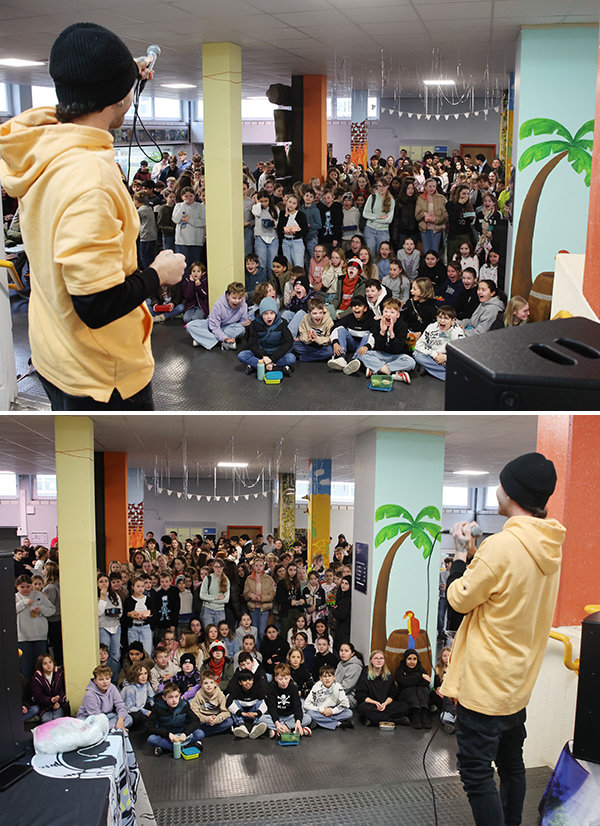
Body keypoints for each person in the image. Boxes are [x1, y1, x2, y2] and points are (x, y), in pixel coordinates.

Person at [0, 22, 186, 410]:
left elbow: (71, 100)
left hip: (56, 354)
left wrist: (122, 75)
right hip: (101, 379)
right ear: (118, 96)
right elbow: (96, 305)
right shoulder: (91, 181)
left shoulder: (41, 143)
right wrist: (158, 274)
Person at [441, 452, 565, 826]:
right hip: (517, 682)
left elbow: (459, 599)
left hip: (485, 684)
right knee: (511, 764)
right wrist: (477, 556)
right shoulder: (549, 544)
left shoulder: (501, 546)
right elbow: (506, 589)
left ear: (511, 493)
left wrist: (461, 554)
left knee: (476, 772)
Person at [237, 297, 296, 377]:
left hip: (277, 353)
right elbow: (253, 344)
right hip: (261, 354)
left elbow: (288, 342)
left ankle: (259, 367)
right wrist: (264, 356)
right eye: (265, 313)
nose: (269, 317)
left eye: (272, 313)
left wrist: (272, 358)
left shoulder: (282, 323)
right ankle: (277, 368)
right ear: (261, 314)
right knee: (242, 355)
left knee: (291, 358)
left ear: (275, 313)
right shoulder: (255, 324)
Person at [186, 281, 250, 350]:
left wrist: (244, 323)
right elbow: (214, 327)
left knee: (241, 329)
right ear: (228, 296)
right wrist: (223, 338)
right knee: (190, 326)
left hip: (228, 328)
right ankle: (222, 342)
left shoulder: (243, 305)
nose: (237, 301)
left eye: (239, 298)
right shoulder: (218, 305)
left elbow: (242, 322)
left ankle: (203, 340)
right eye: (234, 298)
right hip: (212, 325)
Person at [146, 680, 204, 755]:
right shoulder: (157, 707)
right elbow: (149, 726)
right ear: (164, 698)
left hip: (181, 734)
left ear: (179, 695)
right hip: (167, 736)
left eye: (176, 696)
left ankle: (170, 747)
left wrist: (185, 733)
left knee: (200, 733)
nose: (174, 700)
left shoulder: (184, 704)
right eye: (170, 697)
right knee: (151, 739)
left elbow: (196, 721)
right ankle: (182, 747)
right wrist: (167, 734)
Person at [355, 650, 409, 726]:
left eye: (381, 658)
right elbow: (360, 694)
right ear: (371, 661)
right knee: (363, 708)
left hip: (385, 705)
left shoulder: (388, 675)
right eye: (376, 658)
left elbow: (393, 694)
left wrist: (385, 704)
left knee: (404, 706)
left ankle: (374, 720)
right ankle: (393, 720)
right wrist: (375, 703)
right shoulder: (365, 674)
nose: (379, 661)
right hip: (372, 704)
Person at [15, 574, 54, 678]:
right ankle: (27, 687)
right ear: (17, 587)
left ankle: (41, 685)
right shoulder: (16, 597)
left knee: (40, 667)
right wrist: (23, 603)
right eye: (22, 587)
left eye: (28, 586)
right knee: (25, 668)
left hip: (39, 636)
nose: (25, 589)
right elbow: (9, 612)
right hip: (23, 638)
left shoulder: (39, 595)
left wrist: (41, 609)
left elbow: (52, 610)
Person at [414, 305, 465, 381]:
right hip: (432, 355)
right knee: (417, 354)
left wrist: (445, 358)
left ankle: (428, 368)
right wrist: (434, 354)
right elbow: (419, 344)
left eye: (446, 318)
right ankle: (448, 375)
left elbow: (462, 353)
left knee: (460, 363)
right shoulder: (431, 327)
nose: (442, 321)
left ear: (453, 320)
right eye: (440, 317)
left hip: (448, 358)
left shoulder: (457, 331)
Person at [261, 662, 312, 737]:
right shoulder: (271, 688)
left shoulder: (293, 688)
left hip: (290, 716)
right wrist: (277, 723)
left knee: (307, 718)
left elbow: (297, 706)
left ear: (290, 677)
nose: (284, 681)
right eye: (280, 679)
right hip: (277, 717)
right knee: (261, 719)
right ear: (276, 678)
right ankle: (289, 729)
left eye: (286, 678)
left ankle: (280, 730)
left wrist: (298, 722)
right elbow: (272, 708)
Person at [77, 665, 132, 729]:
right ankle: (113, 729)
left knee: (128, 718)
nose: (105, 682)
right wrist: (115, 726)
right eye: (101, 679)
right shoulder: (89, 695)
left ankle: (112, 728)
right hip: (90, 719)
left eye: (107, 679)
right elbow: (96, 717)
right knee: (93, 726)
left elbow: (120, 705)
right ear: (95, 681)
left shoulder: (112, 688)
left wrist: (120, 721)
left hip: (107, 716)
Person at [304, 665, 353, 730]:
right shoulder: (316, 686)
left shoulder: (338, 686)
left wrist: (332, 711)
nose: (327, 679)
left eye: (330, 676)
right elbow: (306, 704)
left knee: (349, 713)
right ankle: (338, 723)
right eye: (324, 676)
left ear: (334, 677)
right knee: (310, 714)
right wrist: (321, 710)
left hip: (333, 711)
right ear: (321, 678)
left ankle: (321, 722)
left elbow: (346, 703)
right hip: (320, 711)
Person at [394, 649, 432, 730]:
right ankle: (415, 714)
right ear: (405, 659)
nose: (412, 662)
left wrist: (411, 679)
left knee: (422, 689)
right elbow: (403, 682)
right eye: (409, 659)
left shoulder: (421, 668)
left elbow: (426, 683)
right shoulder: (401, 669)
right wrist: (420, 676)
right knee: (410, 689)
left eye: (414, 659)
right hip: (406, 698)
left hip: (420, 698)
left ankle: (424, 713)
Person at [30, 654, 69, 722]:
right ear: (40, 666)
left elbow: (62, 691)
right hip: (45, 707)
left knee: (57, 719)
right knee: (47, 720)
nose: (48, 665)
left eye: (50, 662)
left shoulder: (59, 674)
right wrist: (51, 700)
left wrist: (58, 702)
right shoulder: (37, 678)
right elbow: (38, 696)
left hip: (58, 705)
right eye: (45, 663)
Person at [334, 642, 363, 709]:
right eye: (341, 650)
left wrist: (331, 694)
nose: (343, 653)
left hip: (349, 697)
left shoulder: (355, 667)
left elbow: (346, 687)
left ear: (352, 653)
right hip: (337, 693)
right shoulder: (340, 663)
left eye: (346, 651)